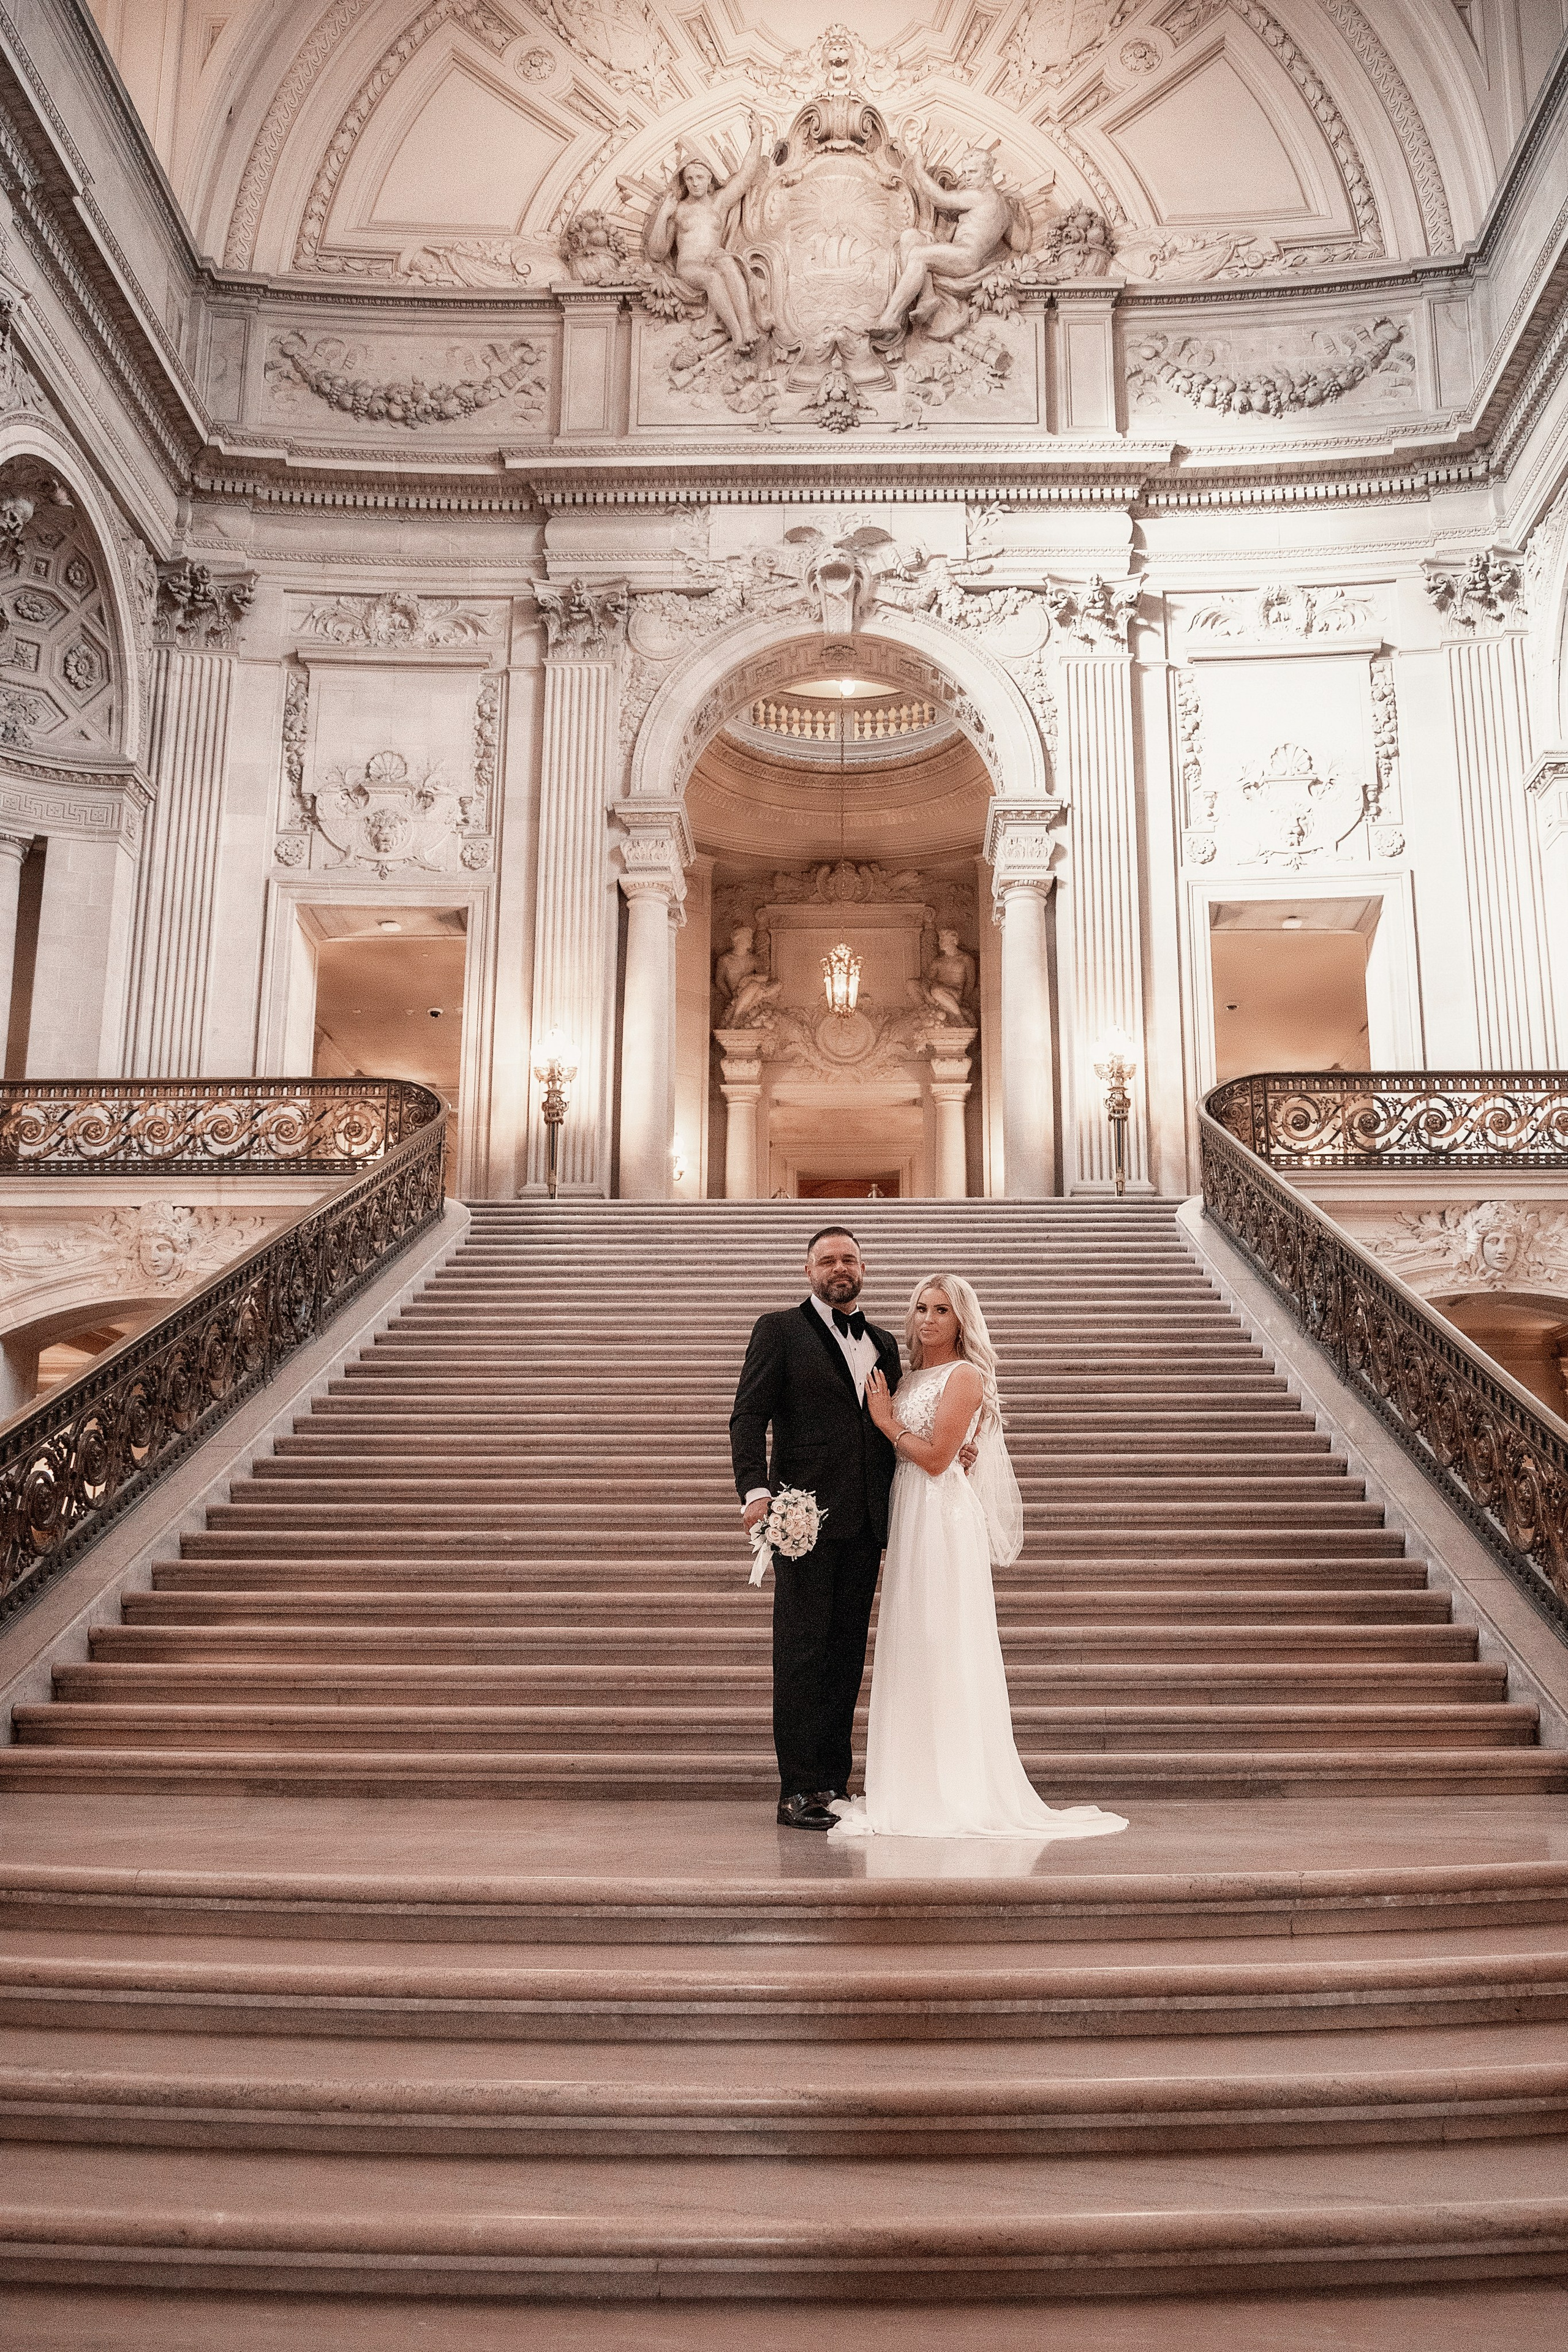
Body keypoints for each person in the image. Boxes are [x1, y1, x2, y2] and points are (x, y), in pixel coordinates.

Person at [829, 1274, 1129, 1843]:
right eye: (920, 1307)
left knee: (945, 1640)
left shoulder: (965, 1375)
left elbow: (940, 1458)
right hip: (911, 1512)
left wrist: (888, 1421)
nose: (927, 1319)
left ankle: (957, 1790)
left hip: (942, 1518)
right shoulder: (911, 1375)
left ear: (961, 1319)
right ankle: (910, 1783)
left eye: (941, 1310)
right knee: (912, 1640)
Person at [729, 1227, 903, 1831]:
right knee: (801, 1653)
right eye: (826, 1259)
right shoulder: (778, 1330)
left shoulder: (883, 1342)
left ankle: (833, 1781)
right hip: (801, 1519)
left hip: (864, 1524)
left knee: (844, 1656)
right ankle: (797, 1790)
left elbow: (890, 1425)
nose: (839, 1267)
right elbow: (748, 1413)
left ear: (863, 1268)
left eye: (848, 1258)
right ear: (808, 1271)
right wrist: (755, 1491)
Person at [646, 119, 768, 353]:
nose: (694, 183)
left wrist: (757, 138)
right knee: (713, 277)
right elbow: (657, 252)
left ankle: (748, 326)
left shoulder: (718, 204)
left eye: (700, 177)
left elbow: (745, 177)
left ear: (710, 178)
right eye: (689, 178)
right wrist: (663, 214)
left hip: (715, 256)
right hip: (690, 265)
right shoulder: (679, 210)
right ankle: (738, 334)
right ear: (684, 180)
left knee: (729, 265)